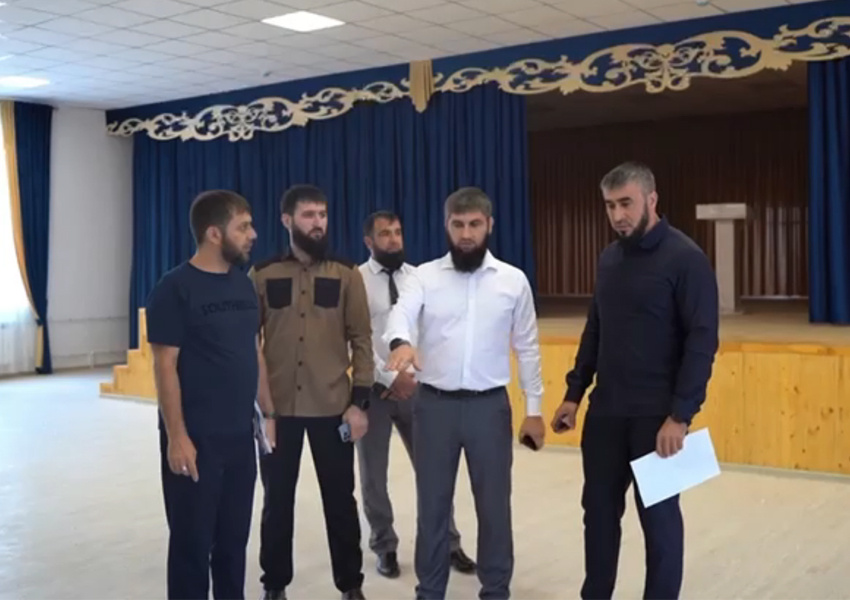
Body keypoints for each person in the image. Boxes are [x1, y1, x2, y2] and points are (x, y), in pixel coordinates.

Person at [551, 161, 719, 600]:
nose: (618, 215)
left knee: (659, 525)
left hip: (657, 420)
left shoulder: (687, 259)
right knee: (598, 517)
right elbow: (596, 329)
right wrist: (574, 393)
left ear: (652, 199)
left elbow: (702, 343)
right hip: (605, 415)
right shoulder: (609, 258)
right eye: (610, 206)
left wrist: (680, 416)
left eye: (626, 203)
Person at [384, 187, 545, 600]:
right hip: (433, 407)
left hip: (489, 408)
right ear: (447, 226)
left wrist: (534, 409)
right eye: (458, 225)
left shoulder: (513, 281)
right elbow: (401, 312)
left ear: (489, 225)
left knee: (494, 508)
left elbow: (527, 347)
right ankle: (430, 591)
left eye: (474, 224)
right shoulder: (423, 276)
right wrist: (401, 342)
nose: (466, 234)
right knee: (432, 507)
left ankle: (496, 590)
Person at [146, 190, 275, 600]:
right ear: (214, 233)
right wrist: (177, 437)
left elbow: (254, 352)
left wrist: (269, 414)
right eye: (243, 227)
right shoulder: (174, 288)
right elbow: (165, 366)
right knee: (191, 546)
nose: (253, 234)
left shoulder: (243, 285)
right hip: (196, 439)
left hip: (240, 439)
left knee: (233, 544)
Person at [250, 184, 373, 600]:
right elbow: (250, 343)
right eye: (308, 215)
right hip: (278, 411)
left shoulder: (347, 274)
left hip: (332, 408)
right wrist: (260, 409)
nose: (318, 223)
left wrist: (359, 404)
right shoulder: (263, 275)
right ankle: (274, 584)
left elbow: (362, 340)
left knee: (340, 501)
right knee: (276, 501)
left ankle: (350, 585)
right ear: (287, 220)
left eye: (322, 214)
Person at [356, 210, 476, 579]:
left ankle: (448, 542)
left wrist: (415, 376)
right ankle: (384, 546)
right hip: (374, 391)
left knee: (434, 471)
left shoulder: (420, 278)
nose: (393, 239)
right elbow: (355, 340)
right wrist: (388, 377)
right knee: (374, 476)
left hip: (419, 390)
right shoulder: (356, 281)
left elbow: (431, 332)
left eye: (397, 232)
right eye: (384, 234)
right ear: (369, 241)